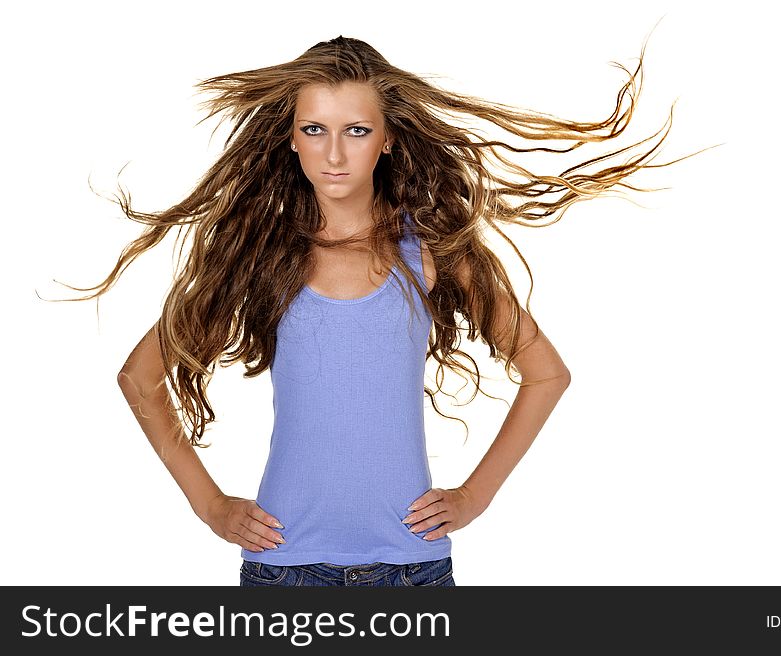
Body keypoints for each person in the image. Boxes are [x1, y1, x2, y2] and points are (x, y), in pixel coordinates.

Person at [58, 34, 704, 586]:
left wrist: (476, 495)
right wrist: (209, 507)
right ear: (290, 139)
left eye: (356, 131)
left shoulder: (436, 254)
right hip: (285, 566)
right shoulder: (257, 256)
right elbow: (139, 376)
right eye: (314, 130)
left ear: (390, 139)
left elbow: (547, 373)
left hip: (412, 567)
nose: (334, 153)